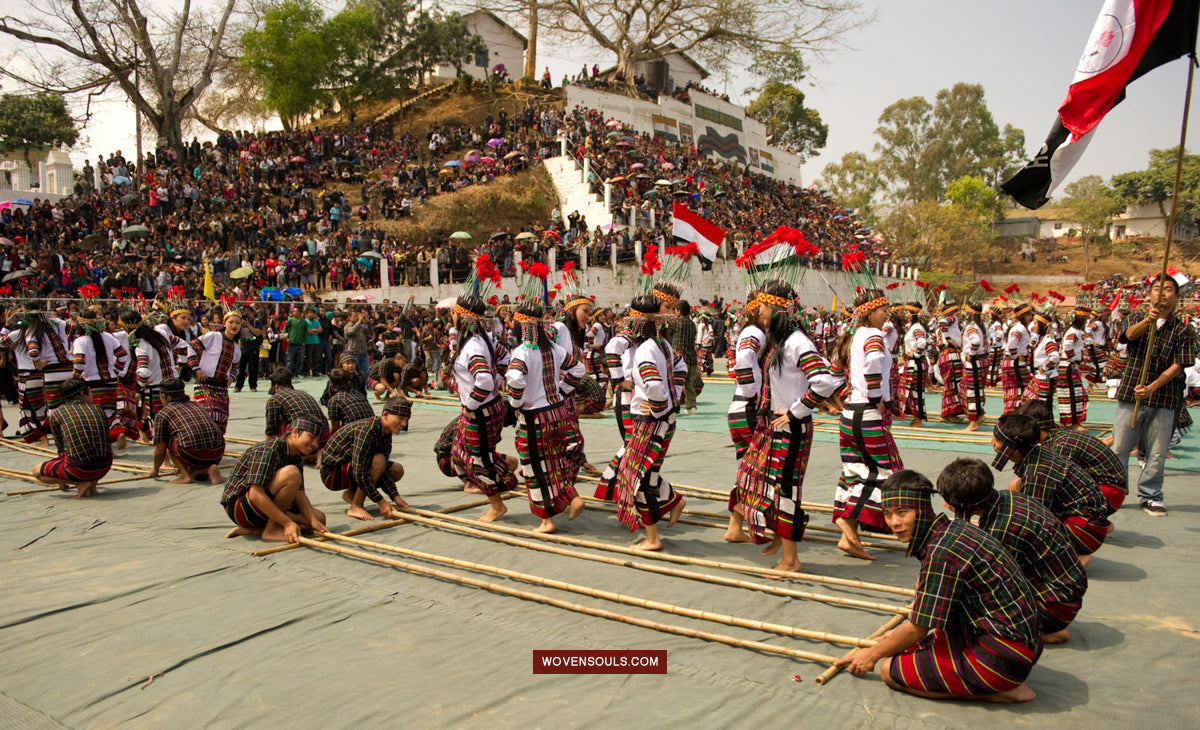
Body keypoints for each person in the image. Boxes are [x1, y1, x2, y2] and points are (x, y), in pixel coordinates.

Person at [835, 469, 1041, 703]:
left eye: (903, 512)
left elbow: (919, 627)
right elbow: (934, 609)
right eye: (888, 514)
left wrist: (871, 655)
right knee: (905, 646)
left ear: (922, 508)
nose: (894, 523)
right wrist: (898, 637)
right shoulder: (953, 530)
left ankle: (997, 691)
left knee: (889, 669)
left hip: (1003, 656)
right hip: (1024, 642)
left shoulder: (941, 552)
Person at [730, 282, 838, 572]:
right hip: (772, 425)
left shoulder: (797, 343)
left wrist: (796, 411)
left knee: (786, 490)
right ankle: (780, 537)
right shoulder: (781, 340)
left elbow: (824, 381)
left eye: (762, 308)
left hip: (790, 428)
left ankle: (791, 559)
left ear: (777, 308)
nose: (758, 313)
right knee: (753, 478)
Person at [936, 457, 1087, 644]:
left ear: (965, 505)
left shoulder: (1003, 528)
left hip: (1054, 606)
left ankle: (1040, 629)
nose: (944, 505)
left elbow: (993, 580)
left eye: (947, 500)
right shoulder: (1005, 498)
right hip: (1064, 592)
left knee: (964, 603)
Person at [1110, 274, 1197, 516]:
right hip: (1131, 393)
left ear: (1177, 297)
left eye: (1168, 289)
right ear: (1149, 294)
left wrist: (1152, 387)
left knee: (1157, 452)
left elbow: (1179, 365)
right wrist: (1148, 321)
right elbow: (1126, 337)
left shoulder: (1183, 329)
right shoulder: (1137, 318)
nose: (1162, 294)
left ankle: (1150, 495)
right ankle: (1115, 492)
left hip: (1165, 397)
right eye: (1157, 289)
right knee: (1120, 448)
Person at [505, 300, 587, 533]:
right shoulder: (553, 348)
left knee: (535, 467)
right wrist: (561, 390)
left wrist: (517, 403)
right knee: (552, 460)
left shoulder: (522, 351)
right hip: (558, 412)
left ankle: (547, 519)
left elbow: (515, 380)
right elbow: (578, 370)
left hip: (536, 416)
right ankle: (571, 498)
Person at [833, 289, 902, 560]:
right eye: (883, 310)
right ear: (870, 312)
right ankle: (848, 522)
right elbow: (874, 362)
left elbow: (887, 343)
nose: (887, 314)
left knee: (855, 469)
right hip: (868, 412)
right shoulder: (871, 335)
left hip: (851, 412)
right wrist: (876, 395)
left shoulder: (858, 335)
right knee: (880, 473)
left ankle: (848, 537)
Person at [614, 293, 687, 550]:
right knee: (645, 473)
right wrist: (671, 400)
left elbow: (654, 384)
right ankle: (672, 502)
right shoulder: (661, 344)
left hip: (651, 420)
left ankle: (653, 538)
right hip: (663, 418)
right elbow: (682, 368)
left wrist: (658, 405)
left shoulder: (646, 349)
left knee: (637, 477)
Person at [992, 413, 1110, 564]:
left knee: (1018, 530)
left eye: (997, 439)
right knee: (1015, 487)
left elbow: (1035, 518)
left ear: (1013, 449)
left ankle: (1069, 558)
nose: (992, 442)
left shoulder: (1038, 472)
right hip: (1090, 521)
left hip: (1085, 531)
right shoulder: (1036, 453)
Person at [449, 294, 517, 521]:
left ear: (462, 317)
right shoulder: (482, 339)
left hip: (480, 410)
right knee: (459, 455)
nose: (452, 317)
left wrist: (471, 403)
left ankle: (497, 502)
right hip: (486, 407)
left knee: (479, 459)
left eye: (454, 313)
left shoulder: (474, 346)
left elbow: (485, 380)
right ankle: (502, 476)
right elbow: (506, 360)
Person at [221, 417, 328, 542]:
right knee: (292, 473)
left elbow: (299, 493)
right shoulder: (268, 450)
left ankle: (254, 530)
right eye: (311, 437)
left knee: (320, 520)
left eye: (317, 440)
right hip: (241, 507)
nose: (314, 444)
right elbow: (255, 495)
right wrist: (288, 523)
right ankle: (272, 529)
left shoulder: (296, 456)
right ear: (294, 433)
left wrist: (313, 520)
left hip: (263, 503)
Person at [1018, 399, 1128, 515]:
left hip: (1108, 494)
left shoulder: (1060, 445)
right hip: (1108, 490)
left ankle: (1089, 524)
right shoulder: (1057, 435)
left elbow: (1051, 481)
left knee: (1034, 487)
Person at [320, 397, 410, 521]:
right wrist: (381, 501)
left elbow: (383, 471)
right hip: (333, 473)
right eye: (400, 418)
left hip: (352, 468)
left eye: (406, 420)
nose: (404, 424)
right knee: (378, 460)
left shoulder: (386, 432)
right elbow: (360, 471)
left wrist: (395, 496)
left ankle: (352, 494)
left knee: (396, 469)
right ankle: (356, 506)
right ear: (385, 414)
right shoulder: (367, 430)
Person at [32, 377, 114, 498]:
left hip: (78, 470)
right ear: (82, 393)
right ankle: (92, 483)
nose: (92, 395)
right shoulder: (99, 410)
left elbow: (62, 449)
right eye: (90, 391)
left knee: (37, 471)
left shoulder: (58, 414)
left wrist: (61, 479)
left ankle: (79, 482)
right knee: (93, 450)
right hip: (105, 466)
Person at [149, 377, 227, 484]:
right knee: (197, 474)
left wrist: (155, 469)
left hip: (193, 453)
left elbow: (160, 450)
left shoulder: (163, 413)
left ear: (163, 396)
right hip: (218, 452)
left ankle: (185, 476)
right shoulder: (198, 405)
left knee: (168, 439)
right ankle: (208, 469)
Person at [70, 308, 130, 445]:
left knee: (94, 416)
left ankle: (102, 444)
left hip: (92, 383)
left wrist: (75, 378)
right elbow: (122, 354)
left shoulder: (80, 341)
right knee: (109, 412)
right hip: (110, 381)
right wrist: (116, 370)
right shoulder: (108, 337)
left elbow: (79, 362)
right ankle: (119, 432)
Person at [189, 310, 242, 433]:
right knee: (207, 415)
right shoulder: (213, 336)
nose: (234, 326)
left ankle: (214, 445)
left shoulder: (236, 348)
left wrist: (232, 377)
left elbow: (236, 366)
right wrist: (197, 369)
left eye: (238, 323)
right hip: (205, 383)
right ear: (224, 323)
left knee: (221, 419)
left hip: (221, 387)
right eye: (231, 322)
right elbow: (191, 346)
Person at [265, 367, 330, 446]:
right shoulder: (303, 393)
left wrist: (268, 448)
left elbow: (270, 431)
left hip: (307, 438)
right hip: (324, 436)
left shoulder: (275, 399)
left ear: (276, 386)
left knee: (278, 420)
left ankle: (288, 449)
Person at [1058, 306, 1090, 428]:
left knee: (1070, 393)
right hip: (1068, 365)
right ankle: (1072, 423)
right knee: (1072, 394)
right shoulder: (1074, 331)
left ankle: (1066, 422)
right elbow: (1067, 345)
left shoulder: (1074, 331)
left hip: (1067, 365)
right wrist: (1072, 359)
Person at [959, 301, 988, 432]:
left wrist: (971, 353)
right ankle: (979, 415)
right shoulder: (981, 325)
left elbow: (975, 341)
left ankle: (973, 422)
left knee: (970, 391)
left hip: (974, 362)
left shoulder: (971, 326)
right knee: (977, 389)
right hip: (981, 360)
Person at [1001, 302, 1034, 415]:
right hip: (1014, 362)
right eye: (1028, 315)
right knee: (1026, 388)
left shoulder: (1021, 328)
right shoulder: (1019, 329)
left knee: (1014, 391)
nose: (1030, 317)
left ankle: (1013, 415)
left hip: (1011, 361)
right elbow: (1012, 344)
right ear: (1022, 316)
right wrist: (1015, 356)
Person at [900, 302, 928, 427]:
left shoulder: (917, 328)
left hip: (916, 362)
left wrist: (916, 354)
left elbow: (922, 342)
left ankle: (919, 418)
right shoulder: (914, 326)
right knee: (912, 390)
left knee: (917, 390)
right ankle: (916, 416)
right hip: (912, 362)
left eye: (907, 312)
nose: (906, 315)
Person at [670, 298, 699, 415]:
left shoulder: (675, 322)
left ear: (679, 311)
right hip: (691, 357)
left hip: (678, 359)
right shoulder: (692, 324)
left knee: (674, 383)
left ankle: (673, 406)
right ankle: (691, 406)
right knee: (690, 385)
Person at [326, 368, 376, 434]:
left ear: (330, 384)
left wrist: (328, 443)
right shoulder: (358, 394)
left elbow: (335, 428)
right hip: (373, 431)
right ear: (349, 382)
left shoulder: (335, 400)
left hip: (357, 434)